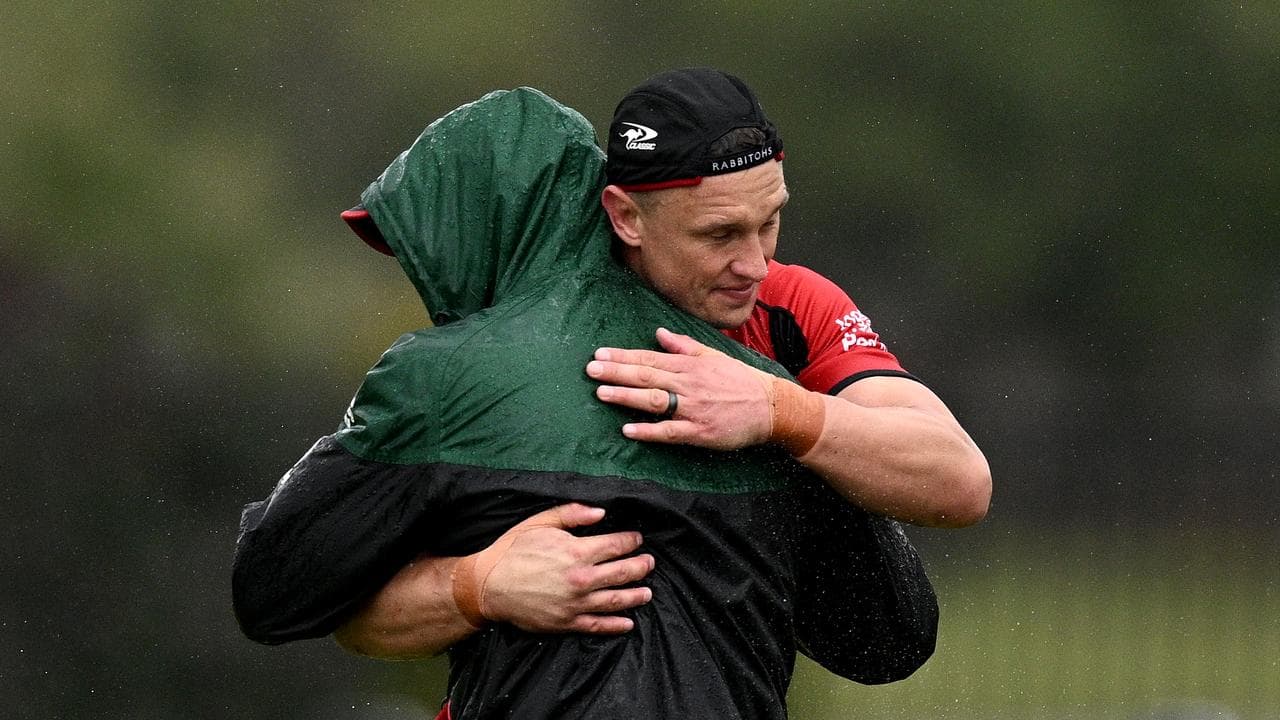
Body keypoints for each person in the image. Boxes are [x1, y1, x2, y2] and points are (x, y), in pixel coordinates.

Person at [233, 70, 983, 719]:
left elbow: (959, 484)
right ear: (624, 217)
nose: (754, 264)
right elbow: (339, 608)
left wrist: (781, 412)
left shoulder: (788, 309)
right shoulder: (484, 384)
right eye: (719, 235)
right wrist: (479, 584)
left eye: (771, 222)